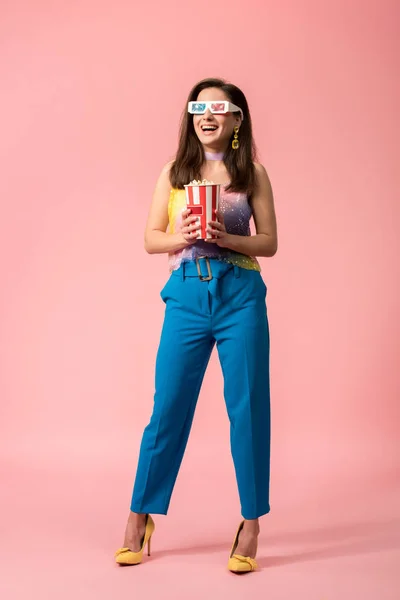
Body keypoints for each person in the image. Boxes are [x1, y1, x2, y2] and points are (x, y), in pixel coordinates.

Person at [114, 77, 278, 574]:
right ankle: (139, 516)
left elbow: (268, 242)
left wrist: (227, 236)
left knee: (249, 409)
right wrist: (180, 235)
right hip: (186, 294)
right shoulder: (174, 171)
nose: (206, 115)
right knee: (168, 408)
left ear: (236, 119)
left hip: (240, 295)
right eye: (198, 107)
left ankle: (251, 522)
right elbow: (149, 238)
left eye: (218, 107)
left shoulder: (252, 173)